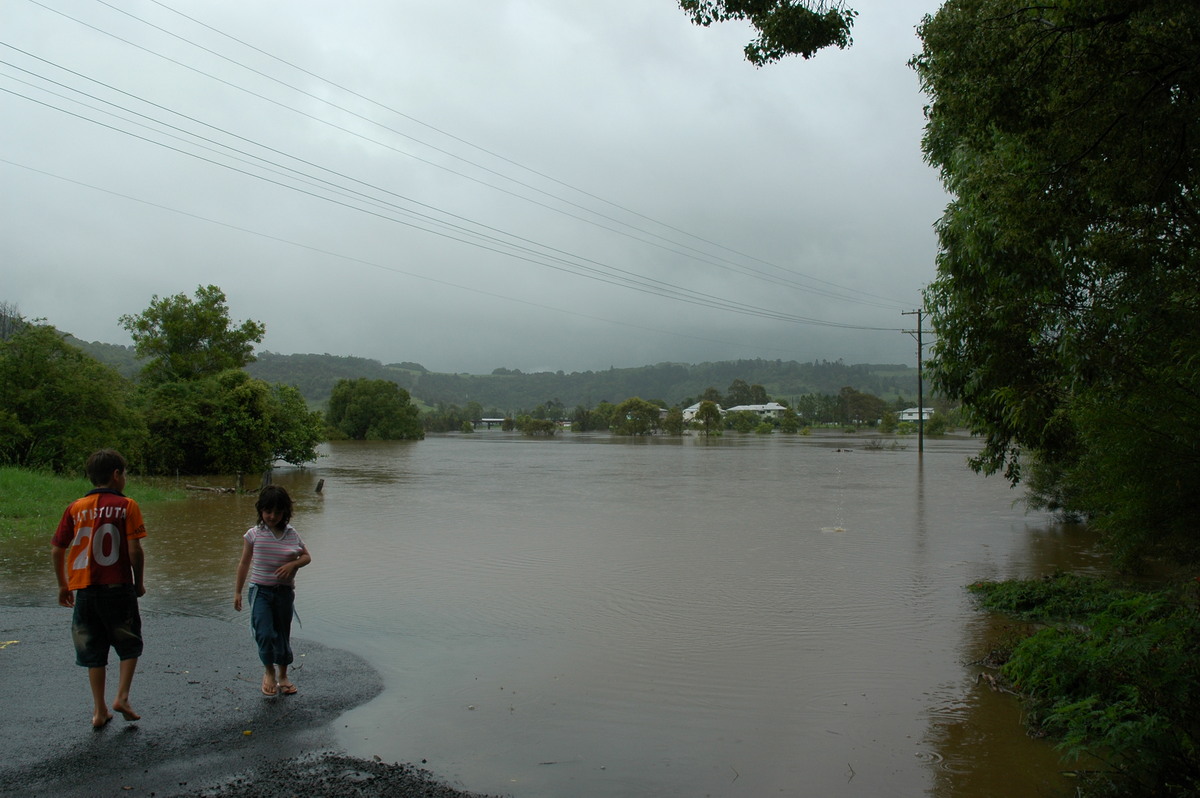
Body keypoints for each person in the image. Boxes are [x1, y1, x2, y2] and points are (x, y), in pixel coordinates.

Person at [51, 449, 147, 728]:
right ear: (116, 475)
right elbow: (134, 550)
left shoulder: (75, 507)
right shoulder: (127, 505)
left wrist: (62, 585)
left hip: (85, 590)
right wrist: (138, 582)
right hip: (118, 586)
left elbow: (58, 548)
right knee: (129, 642)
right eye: (124, 474)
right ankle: (123, 697)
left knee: (94, 649)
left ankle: (99, 710)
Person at [233, 485, 311, 697]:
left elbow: (306, 557)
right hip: (260, 592)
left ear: (285, 512)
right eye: (268, 511)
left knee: (282, 634)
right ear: (261, 511)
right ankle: (269, 672)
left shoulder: (291, 534)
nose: (272, 516)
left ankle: (283, 675)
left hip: (284, 594)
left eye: (278, 512)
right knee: (264, 633)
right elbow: (243, 564)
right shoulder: (254, 535)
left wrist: (293, 565)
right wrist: (238, 592)